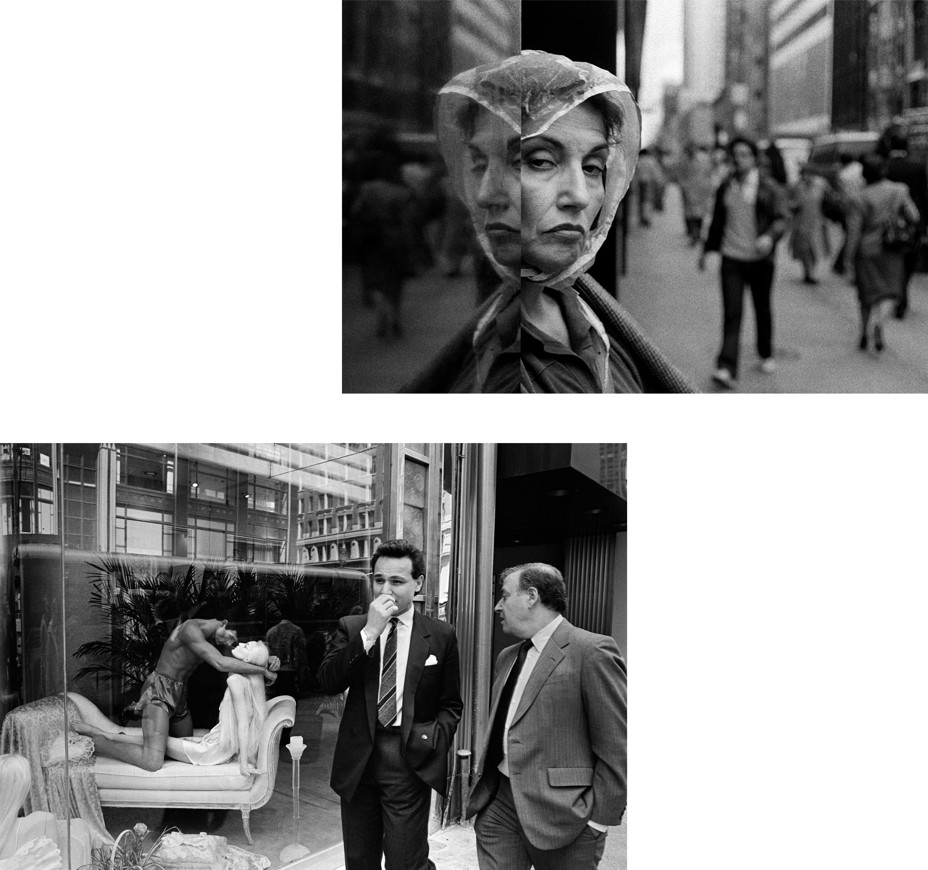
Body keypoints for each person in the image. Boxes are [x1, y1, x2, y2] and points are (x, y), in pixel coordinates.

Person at [402, 50, 693, 393]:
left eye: (593, 167)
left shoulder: (579, 308)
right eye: (540, 161)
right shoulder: (513, 372)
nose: (581, 196)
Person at [465, 563, 627, 870]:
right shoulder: (508, 656)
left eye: (504, 595)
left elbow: (617, 746)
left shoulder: (592, 651)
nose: (498, 606)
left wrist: (598, 822)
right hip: (500, 804)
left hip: (565, 817)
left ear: (531, 596)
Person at [316, 539, 462, 870]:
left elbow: (451, 704)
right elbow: (328, 681)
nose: (386, 589)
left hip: (408, 759)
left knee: (405, 862)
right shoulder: (352, 627)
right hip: (358, 761)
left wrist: (433, 740)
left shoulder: (440, 635)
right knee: (359, 860)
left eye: (396, 581)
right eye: (379, 580)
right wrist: (370, 632)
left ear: (418, 583)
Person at [73, 617, 278, 771]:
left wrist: (266, 659)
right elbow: (220, 663)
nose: (233, 643)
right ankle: (97, 743)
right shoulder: (191, 629)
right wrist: (263, 670)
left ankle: (106, 735)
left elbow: (240, 661)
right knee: (152, 761)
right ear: (223, 623)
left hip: (179, 693)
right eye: (233, 638)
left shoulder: (211, 638)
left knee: (180, 745)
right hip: (159, 692)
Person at [700, 135, 789, 389]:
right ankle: (726, 368)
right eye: (735, 155)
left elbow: (781, 218)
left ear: (754, 158)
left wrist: (770, 238)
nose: (739, 160)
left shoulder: (768, 187)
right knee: (732, 314)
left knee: (762, 308)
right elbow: (717, 219)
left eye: (744, 155)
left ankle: (766, 352)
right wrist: (707, 250)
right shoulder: (726, 185)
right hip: (732, 260)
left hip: (760, 260)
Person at [843, 154, 919, 353]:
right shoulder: (899, 190)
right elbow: (914, 216)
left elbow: (853, 232)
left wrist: (847, 259)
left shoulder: (859, 198)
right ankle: (879, 323)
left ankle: (863, 332)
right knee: (890, 292)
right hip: (891, 248)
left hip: (867, 250)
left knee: (866, 294)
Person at [350, 139, 417, 339]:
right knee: (395, 282)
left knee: (375, 281)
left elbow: (355, 211)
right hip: (396, 242)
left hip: (373, 242)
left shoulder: (368, 189)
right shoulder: (402, 193)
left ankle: (381, 311)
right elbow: (410, 222)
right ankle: (395, 315)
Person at [882, 127, 928, 318]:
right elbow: (924, 196)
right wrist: (924, 226)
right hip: (913, 222)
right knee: (909, 261)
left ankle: (898, 294)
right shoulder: (917, 166)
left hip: (890, 224)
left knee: (893, 260)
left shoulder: (885, 166)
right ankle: (902, 293)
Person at [788, 164, 835, 284]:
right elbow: (790, 204)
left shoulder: (821, 184)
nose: (806, 177)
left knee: (815, 249)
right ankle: (808, 272)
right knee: (804, 249)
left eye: (808, 174)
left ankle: (810, 271)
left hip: (817, 221)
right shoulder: (797, 186)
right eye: (803, 174)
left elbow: (832, 197)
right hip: (801, 222)